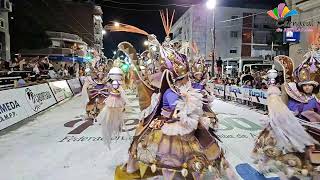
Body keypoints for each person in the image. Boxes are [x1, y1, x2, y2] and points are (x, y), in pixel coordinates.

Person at [252, 68, 319, 179]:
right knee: (275, 142)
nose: (307, 87)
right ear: (301, 86)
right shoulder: (296, 98)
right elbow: (289, 109)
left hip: (312, 128)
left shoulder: (315, 100)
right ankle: (268, 161)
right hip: (295, 126)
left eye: (310, 85)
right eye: (305, 85)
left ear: (314, 86)